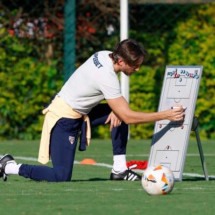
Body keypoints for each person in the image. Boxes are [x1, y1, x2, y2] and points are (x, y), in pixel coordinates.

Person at [0, 39, 185, 182]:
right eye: (134, 64)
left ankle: (119, 170)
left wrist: (117, 110)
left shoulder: (104, 54)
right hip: (64, 118)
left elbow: (119, 109)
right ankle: (9, 166)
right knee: (60, 176)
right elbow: (128, 117)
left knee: (119, 112)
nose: (137, 69)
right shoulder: (106, 76)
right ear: (120, 60)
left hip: (82, 112)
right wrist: (165, 115)